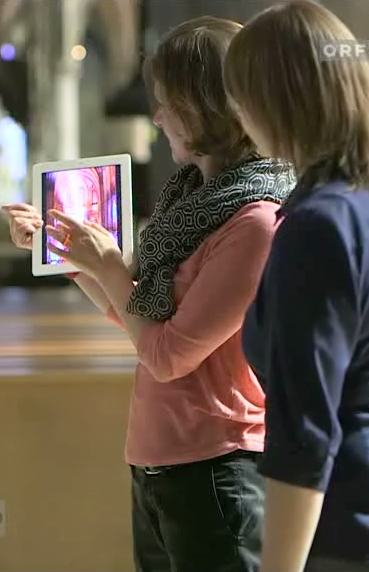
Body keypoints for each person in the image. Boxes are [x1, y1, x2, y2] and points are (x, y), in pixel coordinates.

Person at [4, 16, 296, 572]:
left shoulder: (255, 222)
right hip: (158, 463)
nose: (156, 117)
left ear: (204, 107)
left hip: (217, 468)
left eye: (167, 103)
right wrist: (72, 256)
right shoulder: (191, 201)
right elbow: (136, 318)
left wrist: (110, 265)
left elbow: (167, 356)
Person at [225, 2, 369, 571]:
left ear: (273, 101)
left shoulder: (318, 226)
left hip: (339, 529)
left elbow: (305, 436)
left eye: (240, 97)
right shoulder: (353, 204)